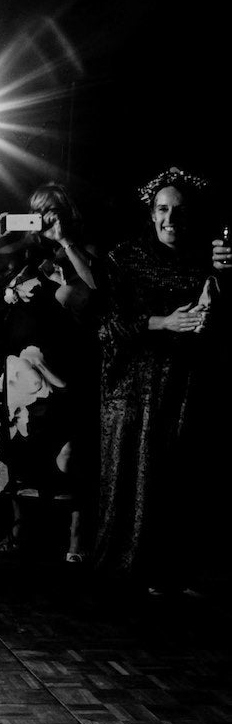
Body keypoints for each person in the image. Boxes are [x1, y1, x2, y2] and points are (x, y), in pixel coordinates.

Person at [93, 167, 225, 597]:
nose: (171, 219)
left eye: (179, 211)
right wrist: (163, 322)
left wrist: (222, 280)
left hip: (186, 385)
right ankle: (131, 569)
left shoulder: (206, 257)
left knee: (179, 477)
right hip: (136, 389)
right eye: (163, 210)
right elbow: (107, 325)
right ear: (151, 215)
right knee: (138, 475)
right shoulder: (124, 258)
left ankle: (176, 571)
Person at [0, 183, 98, 563]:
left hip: (61, 369)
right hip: (19, 373)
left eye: (55, 211)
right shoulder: (22, 255)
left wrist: (65, 243)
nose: (48, 219)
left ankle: (76, 539)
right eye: (40, 212)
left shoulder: (80, 253)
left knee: (68, 458)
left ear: (68, 215)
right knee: (16, 453)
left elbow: (94, 289)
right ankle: (20, 534)